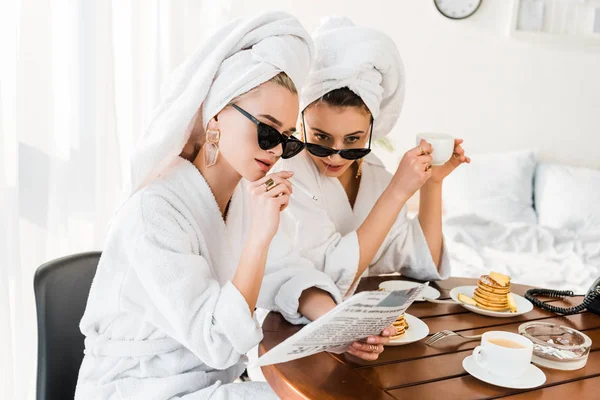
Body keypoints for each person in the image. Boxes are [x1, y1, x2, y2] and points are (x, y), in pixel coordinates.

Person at [74, 12, 343, 399]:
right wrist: (257, 242)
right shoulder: (153, 213)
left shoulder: (246, 199)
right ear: (216, 115)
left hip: (210, 383)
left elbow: (285, 274)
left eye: (287, 140)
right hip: (140, 388)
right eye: (266, 131)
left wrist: (337, 321)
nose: (275, 151)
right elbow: (218, 343)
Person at [275, 17, 471, 299]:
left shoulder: (376, 174)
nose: (336, 155)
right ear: (301, 122)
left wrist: (432, 184)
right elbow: (326, 279)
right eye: (321, 138)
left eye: (353, 140)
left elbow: (420, 263)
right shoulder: (287, 173)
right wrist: (396, 193)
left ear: (372, 129)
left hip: (366, 322)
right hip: (294, 325)